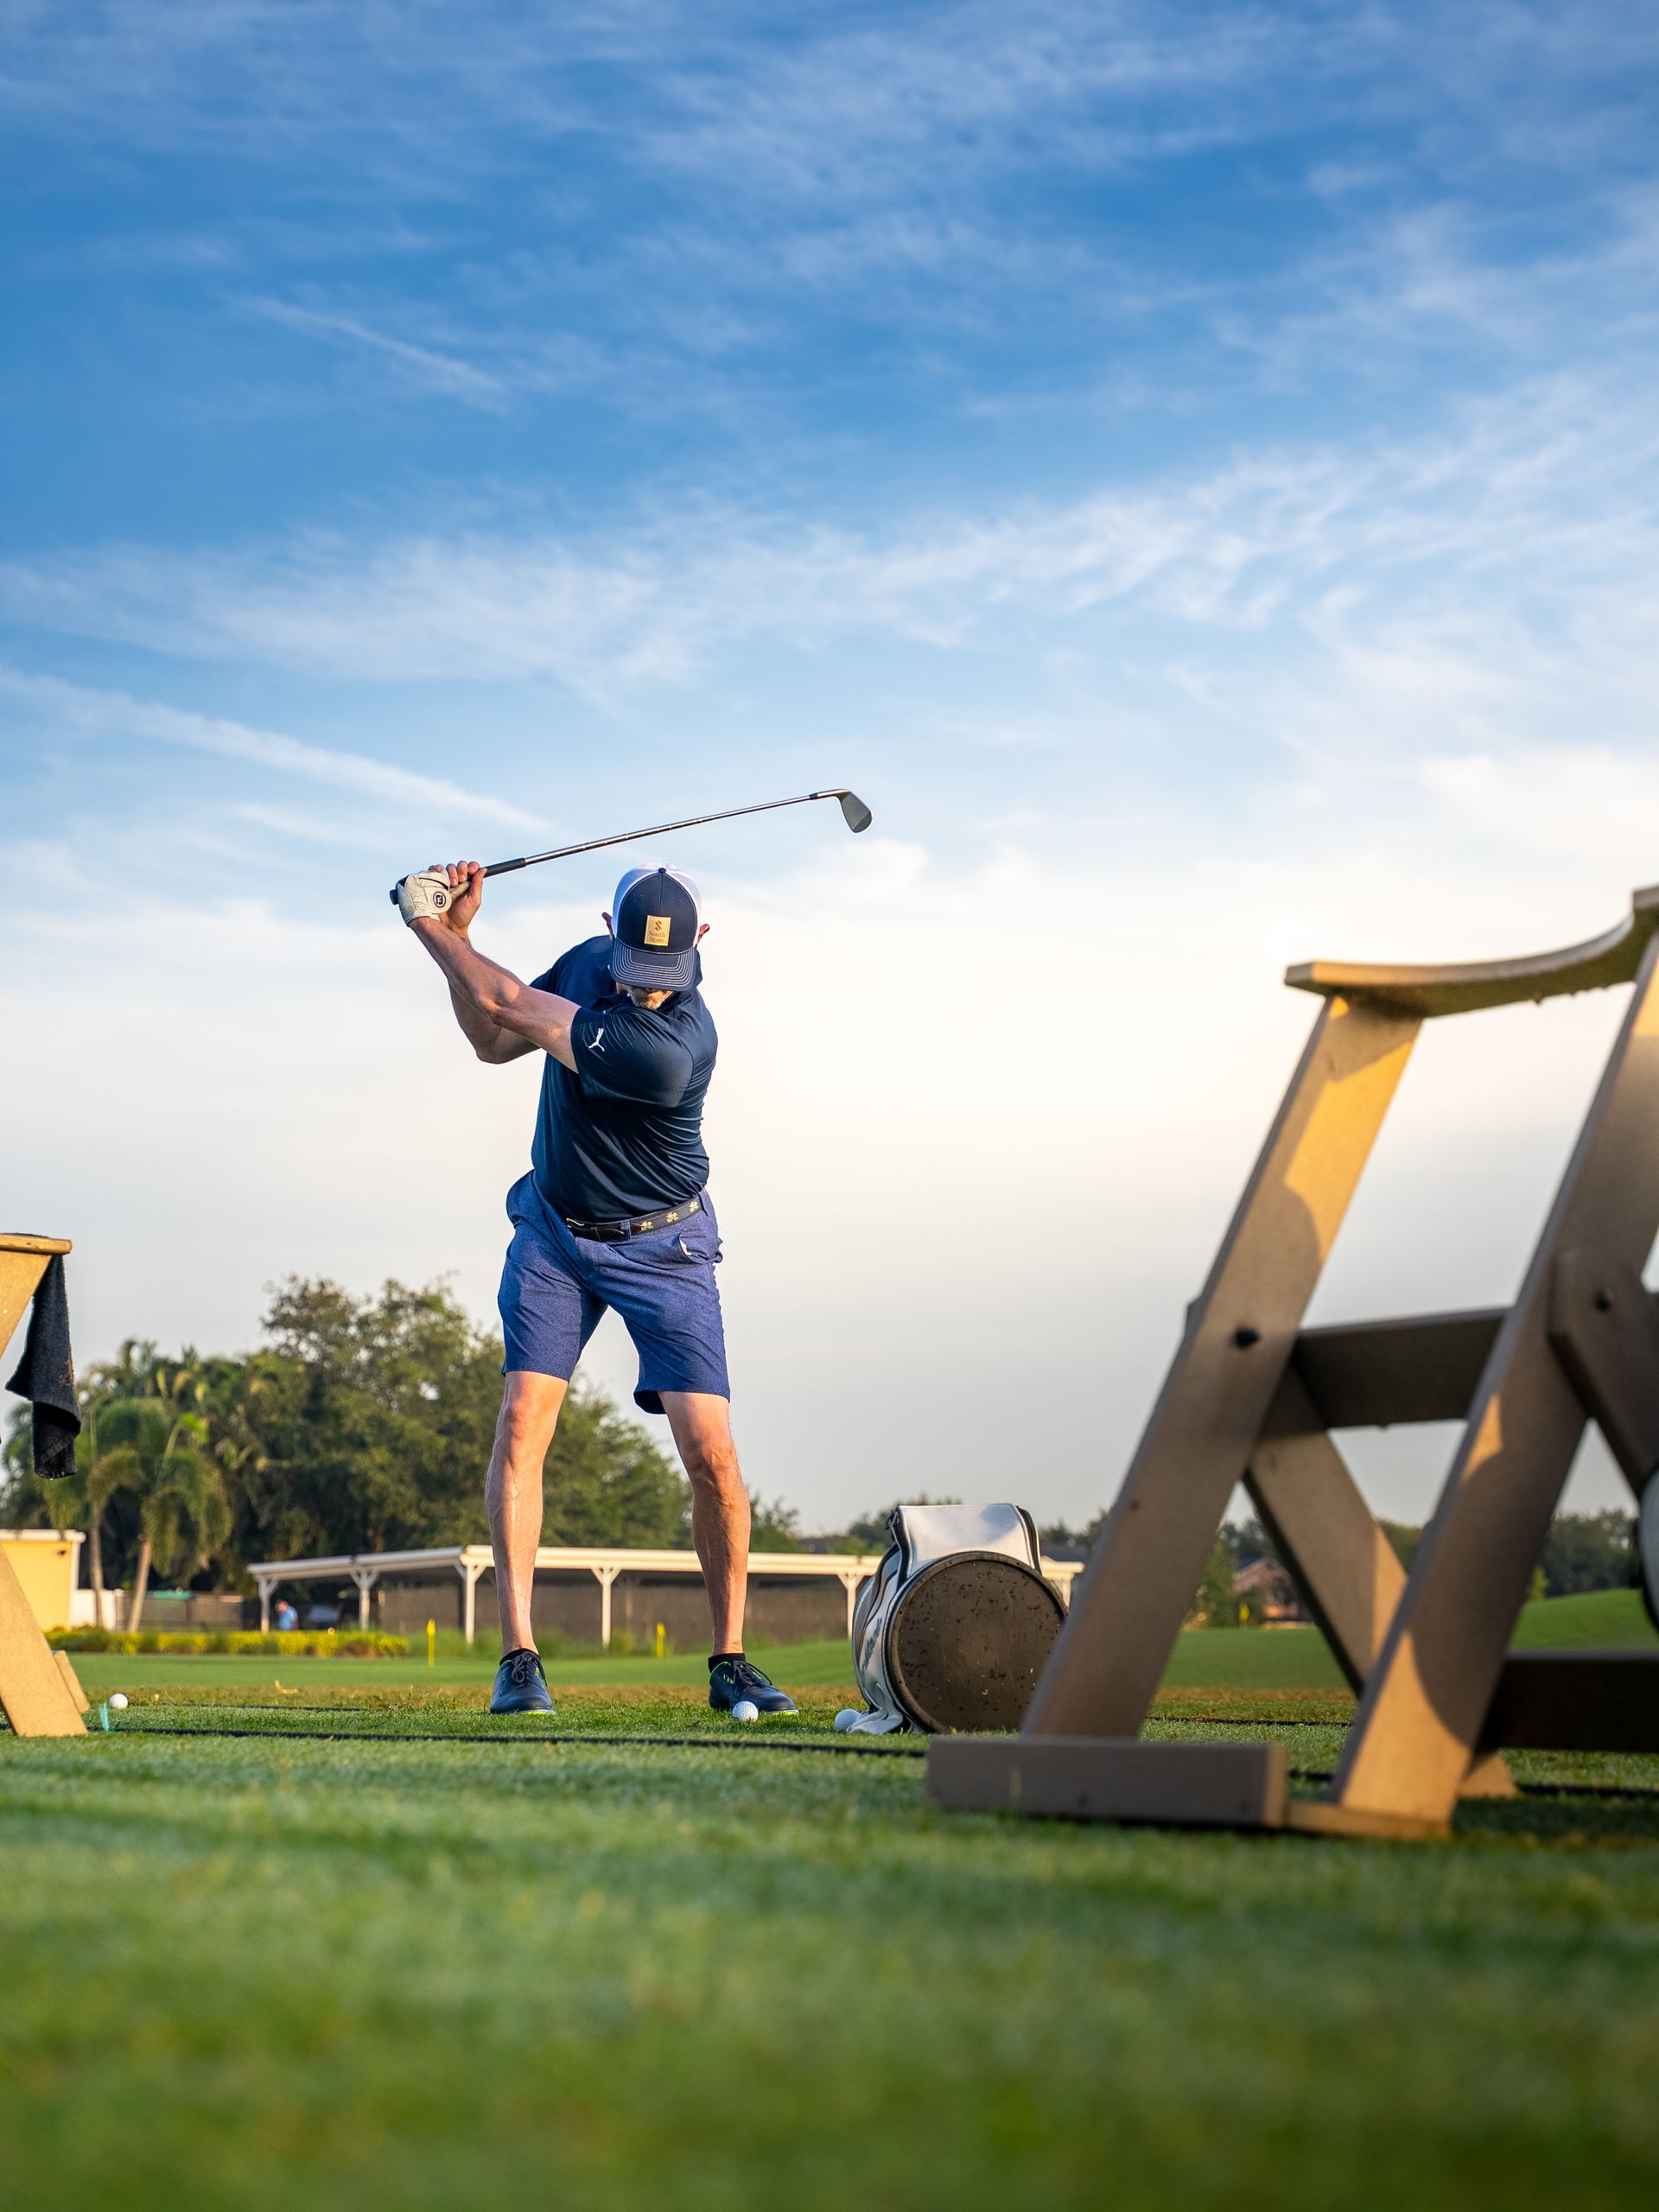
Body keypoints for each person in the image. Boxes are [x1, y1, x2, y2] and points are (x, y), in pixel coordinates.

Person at [399, 855, 797, 1720]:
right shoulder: (585, 964)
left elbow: (506, 1003)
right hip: (554, 1231)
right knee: (521, 1425)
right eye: (634, 968)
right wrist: (464, 942)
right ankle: (519, 1657)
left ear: (701, 946)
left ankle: (729, 1657)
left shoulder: (678, 1045)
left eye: (668, 973)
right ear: (609, 934)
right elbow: (492, 1036)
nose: (648, 989)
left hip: (666, 1246)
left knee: (714, 1458)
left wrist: (429, 925)